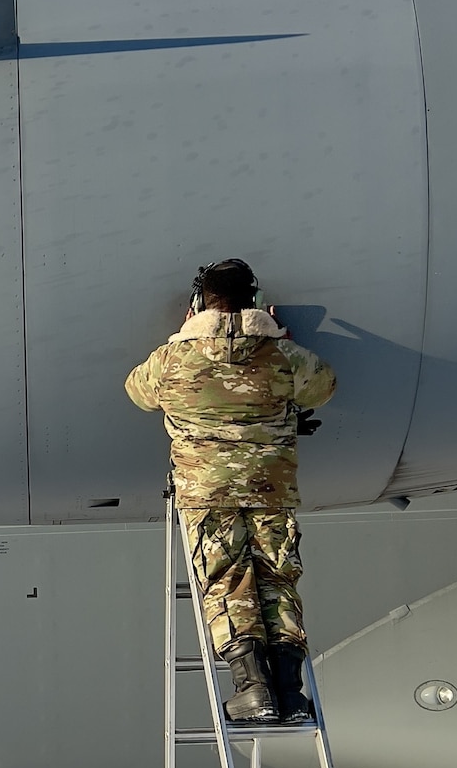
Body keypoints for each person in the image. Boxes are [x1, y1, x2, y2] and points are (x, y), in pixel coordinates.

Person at [124, 258, 337, 724]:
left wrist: (181, 338)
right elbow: (322, 388)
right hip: (271, 487)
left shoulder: (172, 360)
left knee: (228, 581)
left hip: (206, 491)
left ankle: (252, 689)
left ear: (200, 304)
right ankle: (290, 691)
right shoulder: (283, 357)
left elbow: (137, 392)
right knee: (277, 577)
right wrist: (279, 342)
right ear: (255, 301)